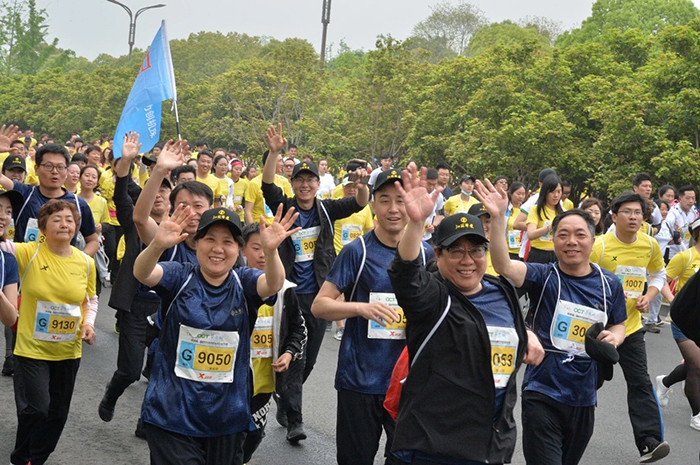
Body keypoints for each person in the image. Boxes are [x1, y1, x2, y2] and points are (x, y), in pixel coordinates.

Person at [384, 171, 543, 465]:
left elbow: (502, 331)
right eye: (456, 251)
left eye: (476, 250)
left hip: (489, 444)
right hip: (433, 446)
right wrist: (416, 224)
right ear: (438, 255)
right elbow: (405, 275)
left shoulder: (501, 291)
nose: (468, 260)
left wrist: (527, 334)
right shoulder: (433, 297)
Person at [476, 179, 628, 465]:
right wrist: (498, 219)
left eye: (580, 235)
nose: (571, 242)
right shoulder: (544, 276)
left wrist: (616, 337)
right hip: (542, 392)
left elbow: (619, 323)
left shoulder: (609, 284)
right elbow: (504, 265)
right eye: (563, 235)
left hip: (584, 396)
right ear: (553, 240)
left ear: (593, 240)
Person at [133, 202, 297, 465]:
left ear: (237, 249)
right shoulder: (180, 276)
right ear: (197, 243)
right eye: (210, 239)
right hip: (172, 414)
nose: (218, 249)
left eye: (227, 242)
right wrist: (157, 246)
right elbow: (143, 273)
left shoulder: (244, 282)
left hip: (226, 418)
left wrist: (271, 251)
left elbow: (273, 283)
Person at [312, 168, 434, 465]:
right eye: (385, 200)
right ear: (373, 205)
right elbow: (320, 306)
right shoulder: (358, 251)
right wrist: (360, 308)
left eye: (400, 200)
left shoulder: (426, 254)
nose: (393, 209)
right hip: (360, 380)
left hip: (407, 383)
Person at [261, 124, 370, 442]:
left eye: (310, 180)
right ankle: (295, 422)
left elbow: (360, 203)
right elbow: (267, 185)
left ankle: (284, 398)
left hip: (320, 297)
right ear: (293, 183)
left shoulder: (327, 208)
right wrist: (274, 153)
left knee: (307, 361)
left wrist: (362, 185)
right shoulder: (285, 207)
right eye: (300, 180)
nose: (305, 184)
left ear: (318, 184)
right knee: (295, 357)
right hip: (290, 294)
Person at [8, 200, 97, 465]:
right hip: (31, 348)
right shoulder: (28, 252)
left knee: (58, 415)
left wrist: (89, 325)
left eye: (69, 219)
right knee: (38, 409)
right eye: (56, 219)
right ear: (43, 227)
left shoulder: (86, 262)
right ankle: (22, 457)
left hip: (68, 351)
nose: (64, 224)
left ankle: (36, 459)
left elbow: (90, 300)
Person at [590, 191, 670, 463]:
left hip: (632, 327)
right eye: (627, 212)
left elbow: (658, 273)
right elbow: (581, 277)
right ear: (614, 216)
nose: (634, 217)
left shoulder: (649, 245)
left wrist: (649, 294)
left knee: (640, 383)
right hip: (599, 329)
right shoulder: (600, 246)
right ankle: (568, 426)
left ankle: (649, 442)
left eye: (638, 212)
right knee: (588, 381)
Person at [98, 133, 173, 426]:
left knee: (161, 371)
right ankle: (111, 394)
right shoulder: (135, 222)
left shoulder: (181, 229)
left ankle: (147, 421)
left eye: (164, 191)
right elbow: (121, 196)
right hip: (135, 307)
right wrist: (126, 162)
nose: (158, 196)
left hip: (165, 310)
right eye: (154, 191)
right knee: (130, 371)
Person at [238, 222, 307, 464]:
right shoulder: (232, 284)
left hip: (264, 384)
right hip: (232, 384)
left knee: (253, 437)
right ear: (243, 249)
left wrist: (288, 353)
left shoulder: (285, 291)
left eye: (268, 248)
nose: (262, 254)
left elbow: (299, 329)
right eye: (256, 248)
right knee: (229, 440)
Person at [0, 130, 98, 257]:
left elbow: (93, 241)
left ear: (66, 170)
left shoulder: (79, 205)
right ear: (36, 169)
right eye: (48, 166)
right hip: (25, 266)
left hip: (62, 268)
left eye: (60, 167)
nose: (55, 172)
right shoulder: (25, 194)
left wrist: (77, 261)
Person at [656, 217, 700, 429]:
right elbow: (662, 279)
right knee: (697, 366)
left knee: (694, 365)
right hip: (684, 319)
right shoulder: (686, 256)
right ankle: (697, 414)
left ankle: (664, 382)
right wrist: (673, 300)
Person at [244, 150, 292, 226]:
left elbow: (290, 207)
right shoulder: (254, 183)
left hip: (279, 227)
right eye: (279, 161)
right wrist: (253, 231)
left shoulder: (284, 181)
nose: (282, 164)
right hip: (260, 227)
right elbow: (248, 211)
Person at [525, 174, 563, 263]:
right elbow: (531, 235)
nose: (556, 195)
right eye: (552, 192)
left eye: (559, 191)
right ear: (545, 192)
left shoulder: (562, 212)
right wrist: (550, 227)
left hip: (556, 255)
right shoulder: (536, 209)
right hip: (538, 254)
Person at [422, 168, 444, 243]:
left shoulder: (438, 196)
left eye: (434, 185)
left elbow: (440, 214)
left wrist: (433, 225)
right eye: (429, 184)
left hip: (427, 237)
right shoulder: (414, 192)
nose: (431, 187)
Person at [506, 182, 526, 259]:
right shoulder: (505, 210)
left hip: (521, 250)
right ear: (511, 193)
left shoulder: (526, 211)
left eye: (523, 194)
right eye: (518, 194)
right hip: (507, 249)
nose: (521, 196)